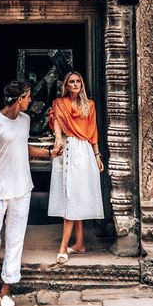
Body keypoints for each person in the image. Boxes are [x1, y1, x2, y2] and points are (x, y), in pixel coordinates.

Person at [0, 80, 57, 306]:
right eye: (28, 96)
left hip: (22, 188)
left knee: (16, 239)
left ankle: (7, 288)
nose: (31, 100)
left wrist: (49, 153)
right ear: (19, 98)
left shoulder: (25, 120)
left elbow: (23, 147)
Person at [48, 71, 105, 264]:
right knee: (70, 196)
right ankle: (79, 243)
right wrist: (57, 139)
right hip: (66, 148)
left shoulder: (89, 105)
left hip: (83, 151)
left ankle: (65, 247)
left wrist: (97, 155)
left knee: (75, 195)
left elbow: (93, 131)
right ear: (66, 85)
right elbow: (56, 120)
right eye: (71, 82)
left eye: (78, 81)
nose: (75, 84)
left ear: (82, 84)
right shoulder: (59, 103)